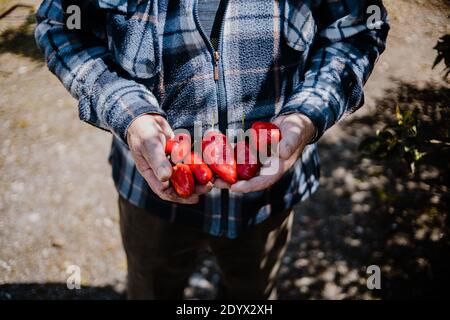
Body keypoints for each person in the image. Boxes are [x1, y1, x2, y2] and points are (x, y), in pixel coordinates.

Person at [35, 0, 389, 299]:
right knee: (151, 289)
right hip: (150, 191)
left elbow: (358, 29)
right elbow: (60, 25)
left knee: (250, 297)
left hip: (268, 200)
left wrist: (307, 115)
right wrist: (127, 111)